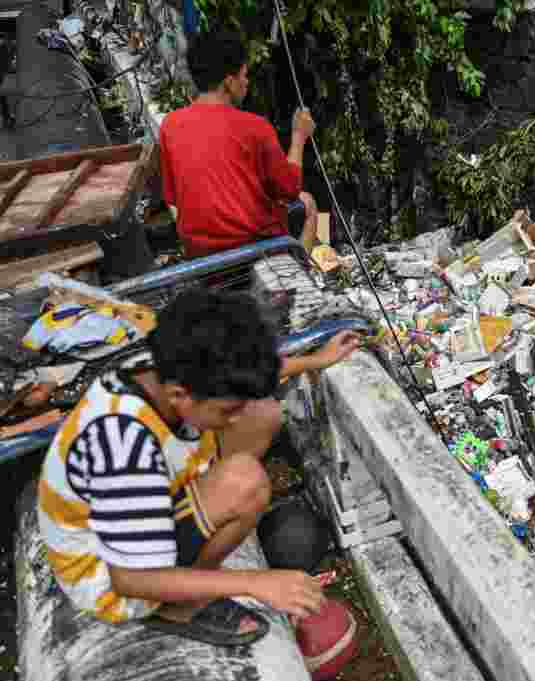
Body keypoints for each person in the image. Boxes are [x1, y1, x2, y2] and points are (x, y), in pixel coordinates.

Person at [37, 290, 362, 646]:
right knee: (246, 482)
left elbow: (236, 377)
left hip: (139, 510)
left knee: (260, 412)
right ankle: (176, 607)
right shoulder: (124, 445)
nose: (232, 417)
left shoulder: (160, 366)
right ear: (180, 395)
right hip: (110, 577)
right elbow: (130, 579)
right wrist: (255, 582)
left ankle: (203, 548)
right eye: (225, 410)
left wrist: (317, 359)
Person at [159, 32, 319, 258]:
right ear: (229, 82)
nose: (247, 83)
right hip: (252, 249)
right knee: (308, 203)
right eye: (244, 75)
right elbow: (290, 190)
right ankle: (301, 274)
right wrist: (299, 137)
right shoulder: (254, 127)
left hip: (198, 250)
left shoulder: (170, 125)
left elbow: (173, 197)